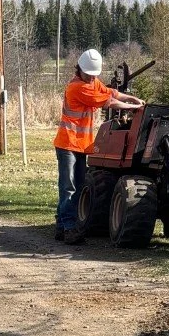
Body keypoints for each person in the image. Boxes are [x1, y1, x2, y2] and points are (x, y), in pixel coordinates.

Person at [53, 49, 128, 243]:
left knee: (77, 186)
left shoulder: (92, 82)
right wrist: (134, 106)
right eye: (89, 74)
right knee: (68, 187)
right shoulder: (77, 87)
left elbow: (109, 92)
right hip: (68, 143)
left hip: (81, 145)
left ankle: (62, 226)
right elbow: (108, 101)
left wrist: (130, 98)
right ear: (80, 69)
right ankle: (69, 228)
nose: (92, 77)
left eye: (95, 74)